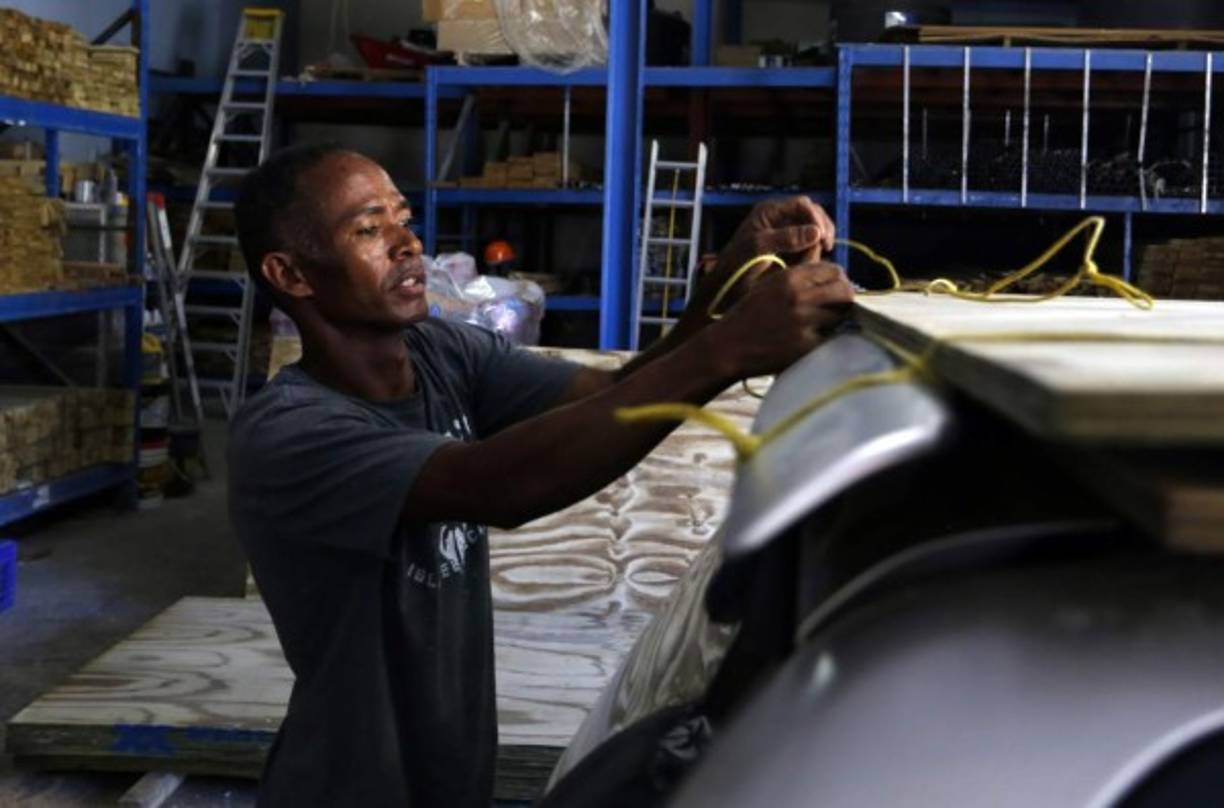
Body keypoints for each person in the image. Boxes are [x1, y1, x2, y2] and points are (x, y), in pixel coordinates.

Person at [228, 142, 852, 808]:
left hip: (451, 774)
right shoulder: (288, 434)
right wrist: (731, 347)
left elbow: (615, 391)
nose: (407, 243)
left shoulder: (442, 352)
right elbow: (497, 487)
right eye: (367, 229)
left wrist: (723, 288)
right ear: (291, 275)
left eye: (402, 218)